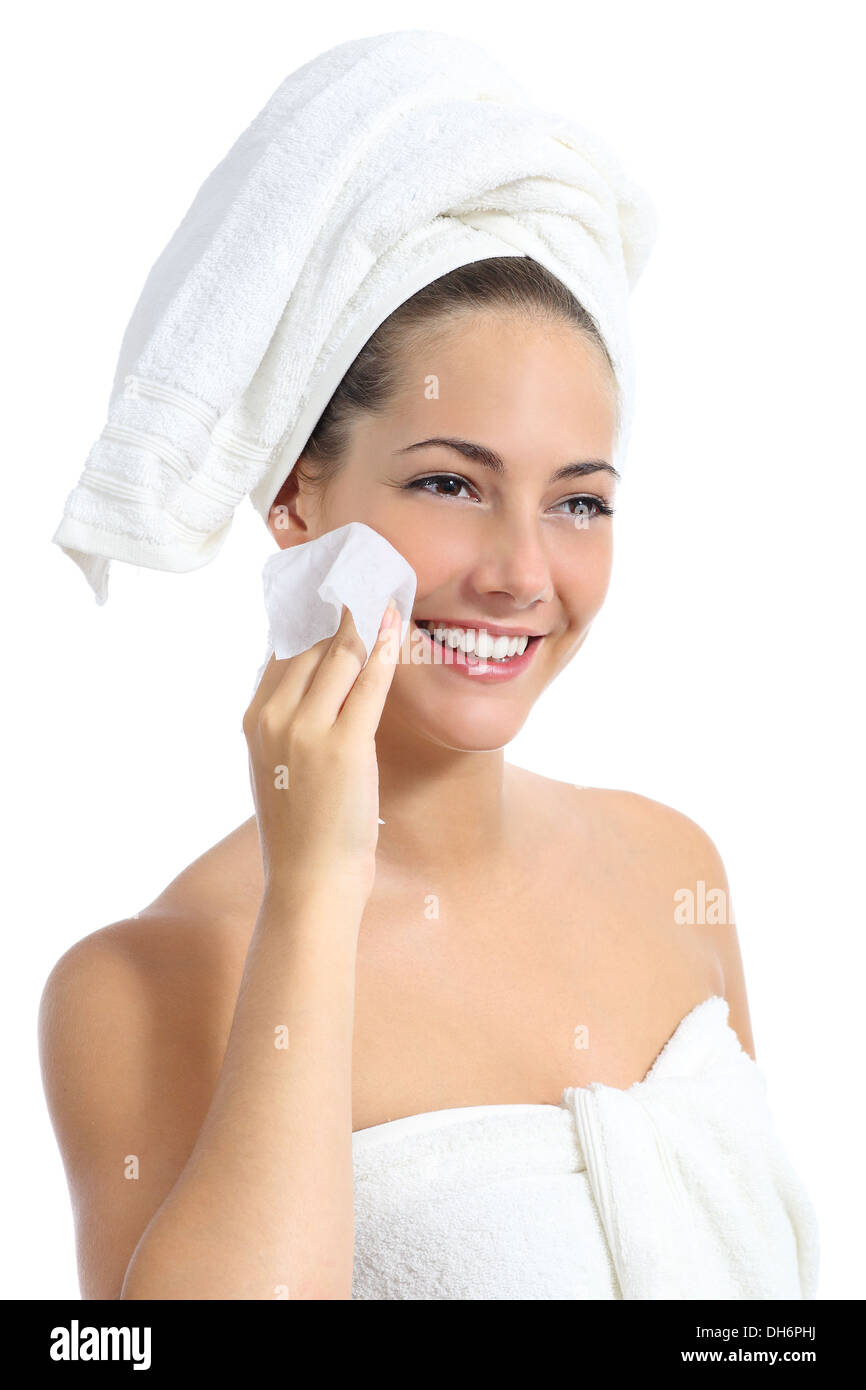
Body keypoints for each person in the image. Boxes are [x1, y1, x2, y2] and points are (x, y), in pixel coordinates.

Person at [39, 254, 793, 1300]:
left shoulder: (673, 861)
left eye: (577, 502)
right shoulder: (139, 986)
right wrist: (309, 899)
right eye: (450, 484)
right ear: (300, 494)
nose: (520, 574)